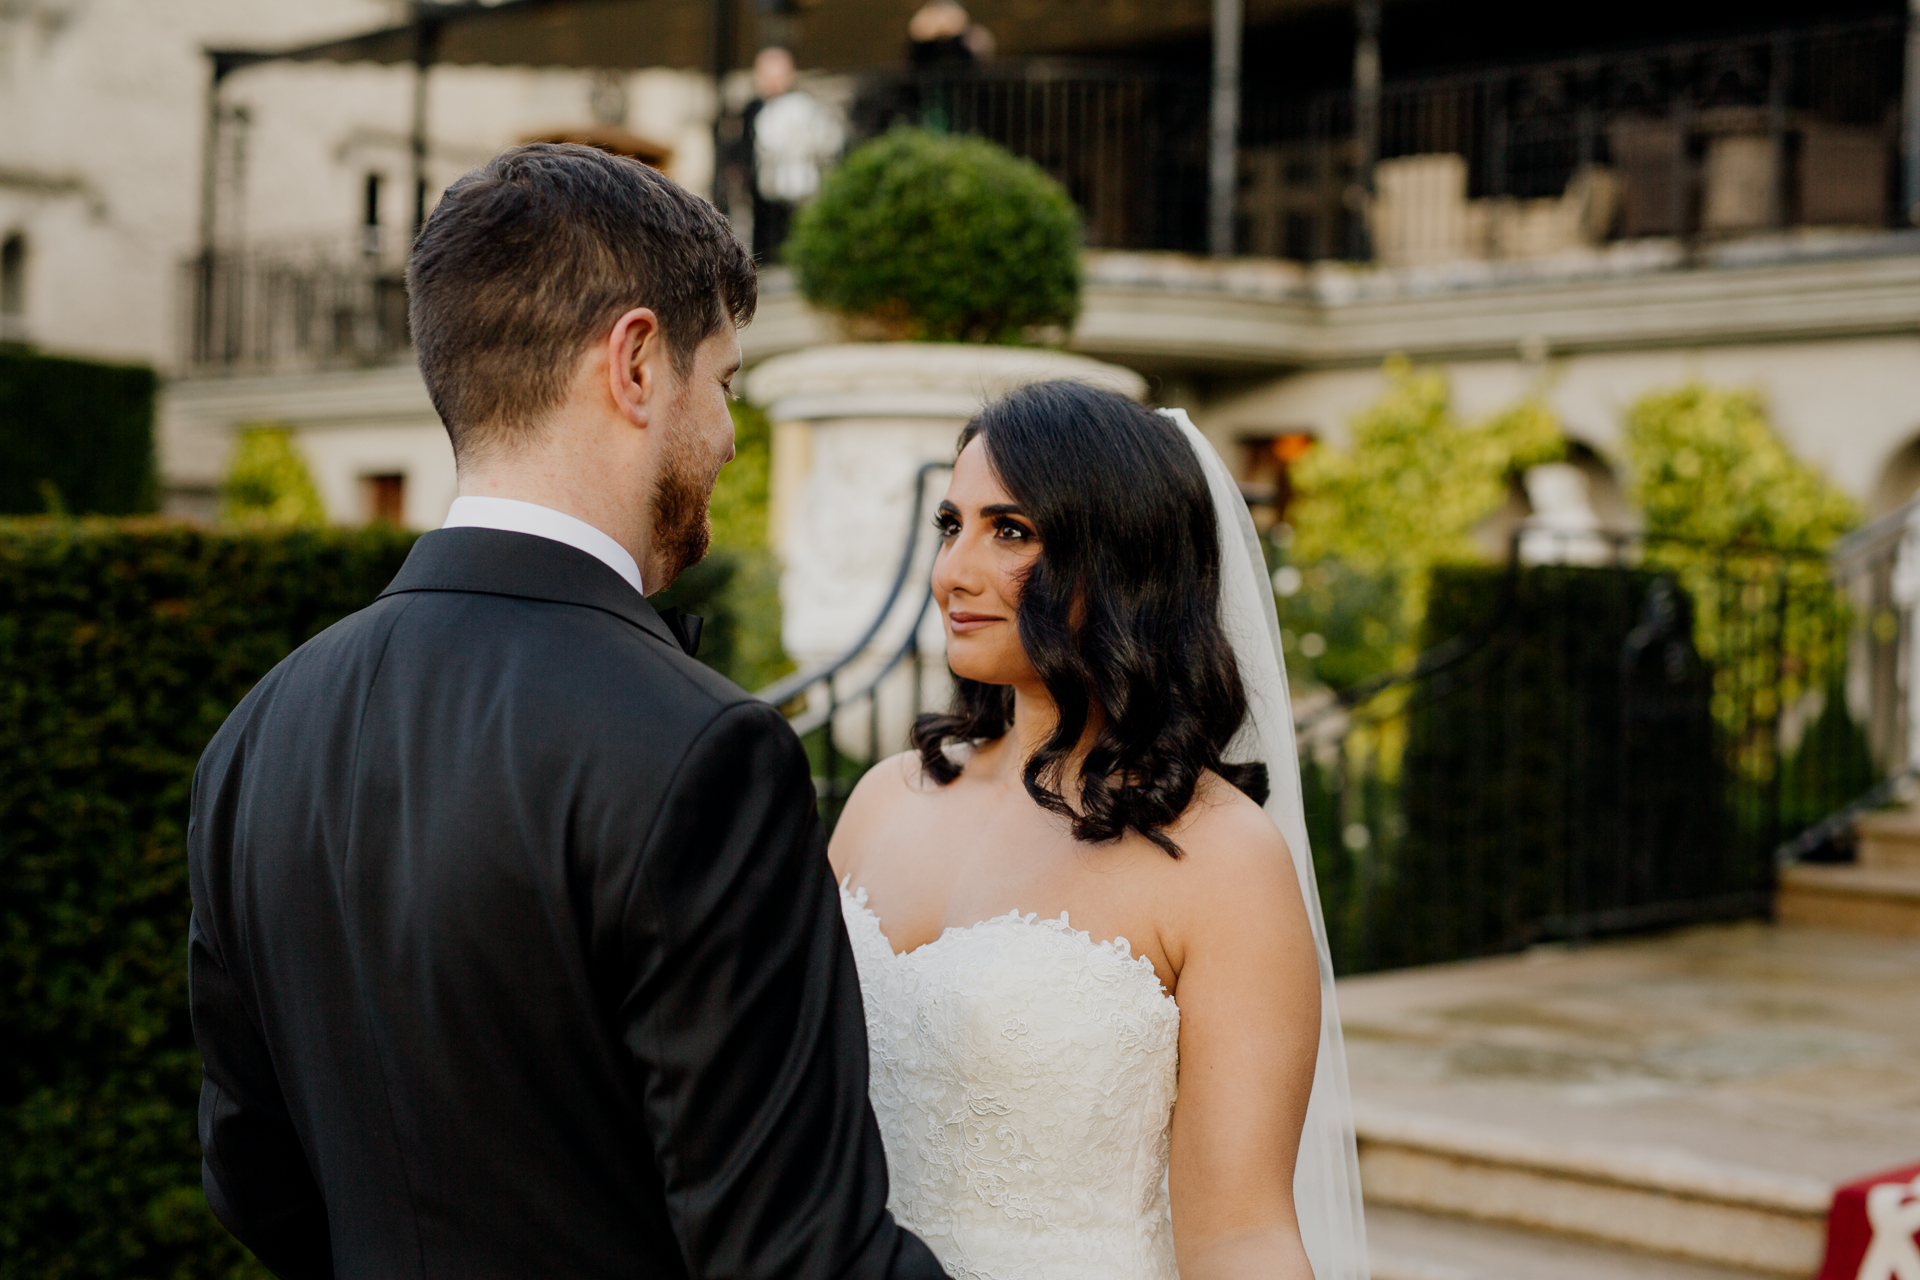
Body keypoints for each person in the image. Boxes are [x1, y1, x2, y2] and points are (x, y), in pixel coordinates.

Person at [186, 143, 943, 1280]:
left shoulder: (255, 732)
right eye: (725, 382)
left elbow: (253, 1175)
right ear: (636, 362)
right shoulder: (703, 751)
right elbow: (795, 1254)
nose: (732, 435)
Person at [828, 381, 1370, 1280]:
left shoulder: (1221, 858)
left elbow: (1240, 1232)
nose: (953, 572)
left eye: (1010, 531)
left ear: (1120, 559)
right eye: (950, 525)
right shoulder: (885, 799)